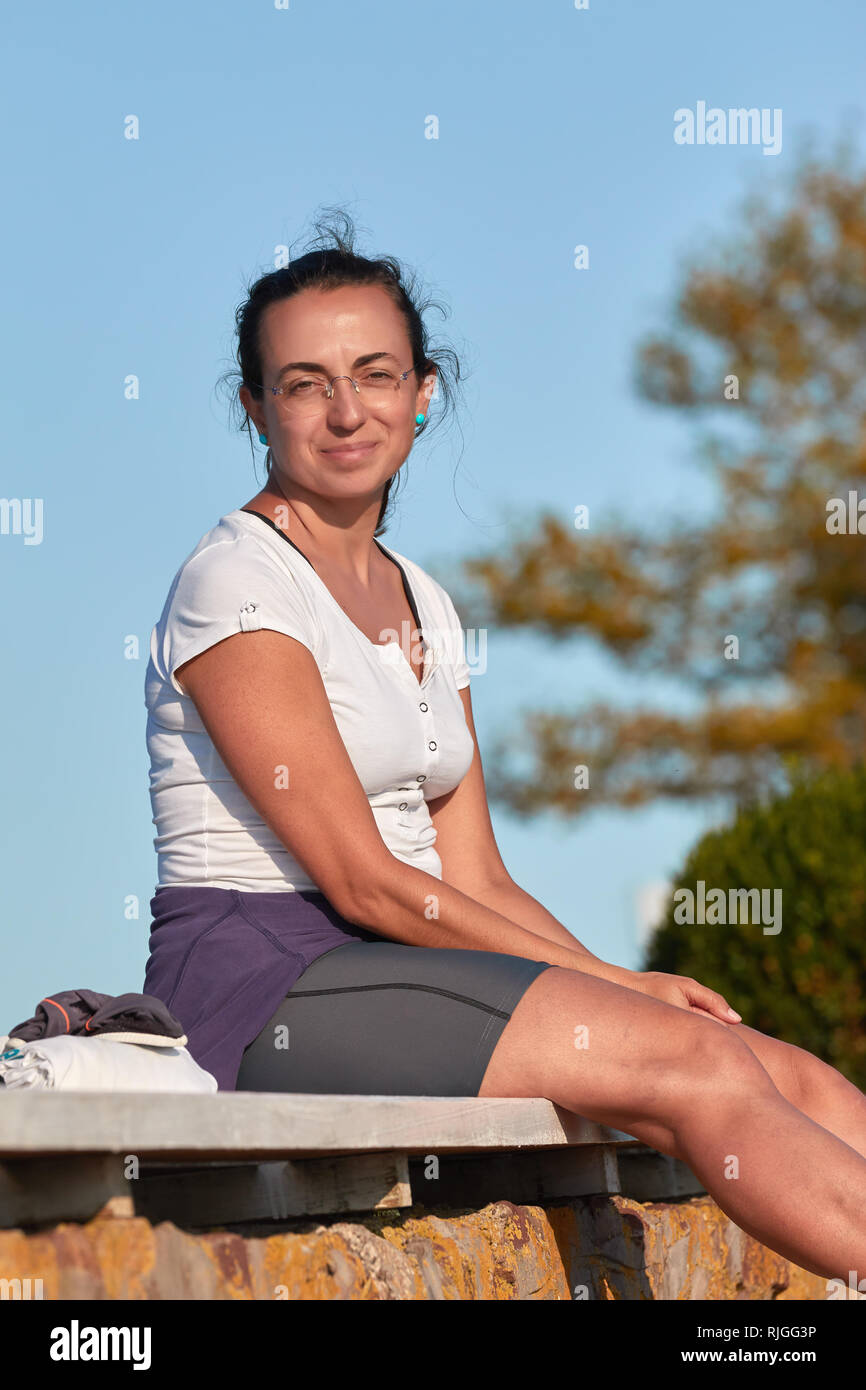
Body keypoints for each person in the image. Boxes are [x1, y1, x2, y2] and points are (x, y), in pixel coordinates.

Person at [143, 213, 866, 1284]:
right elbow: (364, 880)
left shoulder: (423, 601)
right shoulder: (236, 582)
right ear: (254, 407)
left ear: (422, 392)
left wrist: (616, 978)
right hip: (269, 980)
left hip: (396, 958)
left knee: (791, 1076)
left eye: (374, 373)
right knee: (693, 1062)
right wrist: (602, 984)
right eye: (303, 383)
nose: (346, 410)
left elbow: (473, 873)